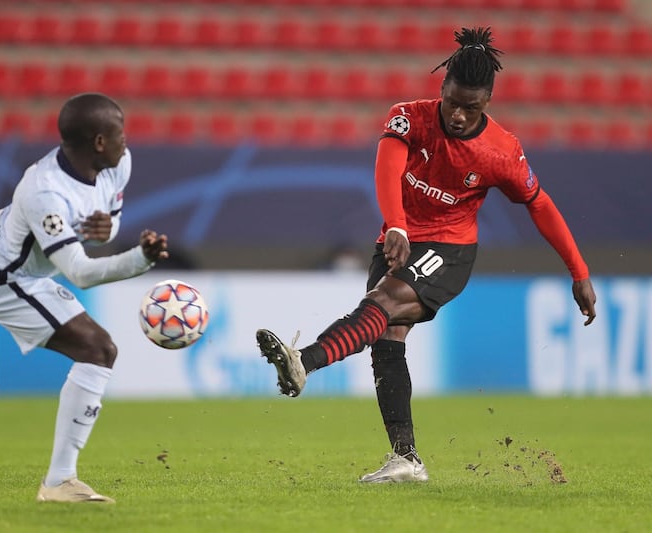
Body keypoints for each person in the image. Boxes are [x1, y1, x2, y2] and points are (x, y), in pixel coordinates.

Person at [256, 27, 597, 484]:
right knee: (386, 338)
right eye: (452, 102)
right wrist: (395, 222)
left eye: (470, 107)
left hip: (450, 248)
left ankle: (305, 362)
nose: (457, 115)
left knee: (383, 304)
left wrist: (578, 271)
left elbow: (541, 205)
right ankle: (406, 459)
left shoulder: (502, 153)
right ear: (441, 89)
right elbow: (388, 165)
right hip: (397, 239)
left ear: (487, 103)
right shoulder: (409, 117)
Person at [0, 93, 169, 503]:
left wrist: (106, 232)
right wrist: (139, 260)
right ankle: (60, 482)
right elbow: (80, 272)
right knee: (98, 349)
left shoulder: (117, 164)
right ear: (99, 141)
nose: (126, 140)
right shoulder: (44, 190)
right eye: (119, 133)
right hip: (5, 274)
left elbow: (105, 223)